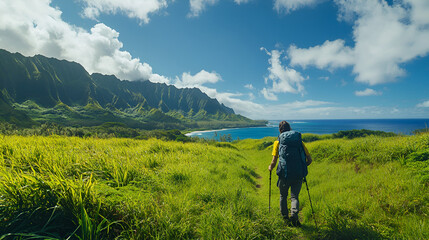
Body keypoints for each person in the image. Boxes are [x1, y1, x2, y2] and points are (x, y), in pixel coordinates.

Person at [268, 120, 312, 227]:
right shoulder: (299, 141)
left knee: (283, 196)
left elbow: (274, 161)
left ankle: (285, 219)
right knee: (294, 197)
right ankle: (294, 218)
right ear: (290, 129)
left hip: (284, 174)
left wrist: (270, 168)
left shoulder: (277, 142)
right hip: (298, 174)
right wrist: (302, 167)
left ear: (280, 130)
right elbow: (309, 160)